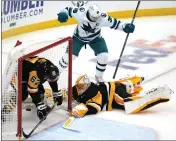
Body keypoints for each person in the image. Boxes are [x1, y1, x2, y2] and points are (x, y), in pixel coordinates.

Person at [57, 4, 135, 83]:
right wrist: (63, 13)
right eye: (93, 17)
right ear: (88, 13)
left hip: (95, 39)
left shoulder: (103, 17)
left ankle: (99, 77)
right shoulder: (80, 13)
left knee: (104, 56)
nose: (95, 19)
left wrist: (125, 26)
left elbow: (116, 24)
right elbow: (67, 9)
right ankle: (56, 73)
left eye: (96, 17)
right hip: (78, 38)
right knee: (69, 57)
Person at [70, 74, 172, 118]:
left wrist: (80, 109)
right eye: (80, 86)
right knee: (123, 86)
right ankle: (133, 81)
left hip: (114, 94)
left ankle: (159, 94)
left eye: (82, 86)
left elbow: (95, 107)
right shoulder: (79, 89)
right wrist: (61, 94)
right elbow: (71, 91)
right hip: (114, 85)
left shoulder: (93, 93)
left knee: (129, 104)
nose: (80, 87)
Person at [2, 56, 63, 121]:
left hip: (28, 70)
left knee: (40, 92)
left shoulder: (50, 67)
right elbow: (32, 90)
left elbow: (52, 80)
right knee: (22, 94)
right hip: (17, 73)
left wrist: (56, 92)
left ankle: (39, 106)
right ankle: (5, 109)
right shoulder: (36, 72)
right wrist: (39, 105)